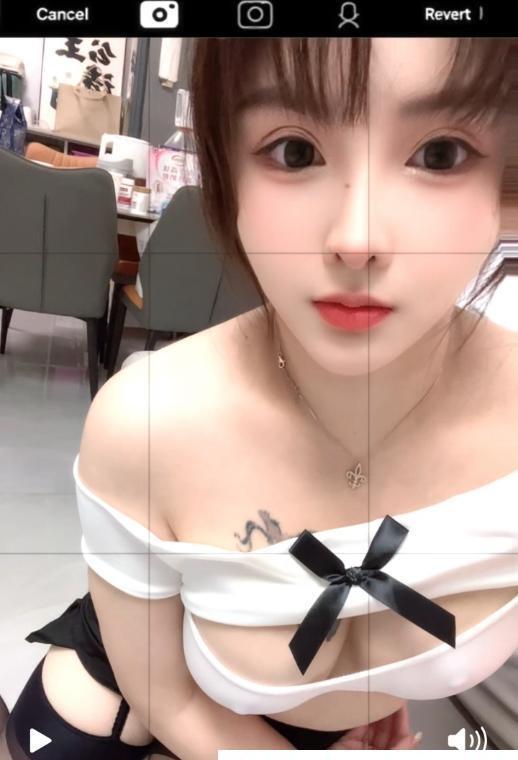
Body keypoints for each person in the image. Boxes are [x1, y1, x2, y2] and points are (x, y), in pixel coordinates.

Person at [2, 36, 518, 759]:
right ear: (226, 172)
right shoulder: (146, 418)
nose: (357, 240)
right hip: (119, 717)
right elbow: (168, 694)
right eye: (295, 152)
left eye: (439, 154)